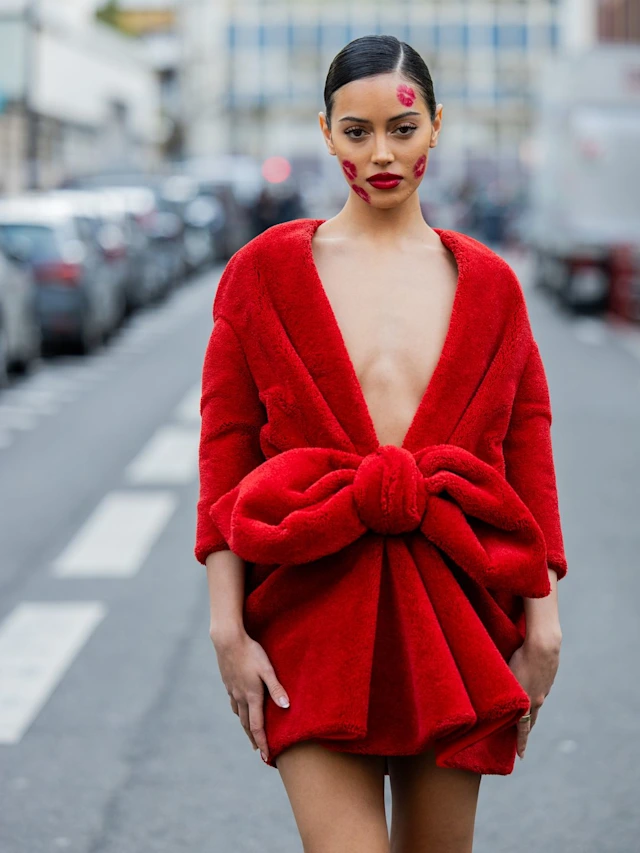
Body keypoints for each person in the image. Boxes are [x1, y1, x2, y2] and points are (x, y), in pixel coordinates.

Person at [195, 35, 567, 853]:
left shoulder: (493, 287)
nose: (381, 153)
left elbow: (524, 452)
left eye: (401, 130)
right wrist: (229, 630)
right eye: (356, 131)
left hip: (460, 619)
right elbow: (225, 457)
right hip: (309, 618)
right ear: (326, 134)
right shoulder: (261, 275)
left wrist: (543, 618)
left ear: (437, 127)